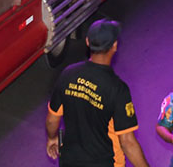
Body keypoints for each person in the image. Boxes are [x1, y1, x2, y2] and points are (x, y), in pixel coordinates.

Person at [46, 19, 149, 167]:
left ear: (87, 42)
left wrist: (52, 138)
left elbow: (52, 119)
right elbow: (127, 142)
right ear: (114, 46)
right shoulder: (117, 89)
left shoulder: (68, 74)